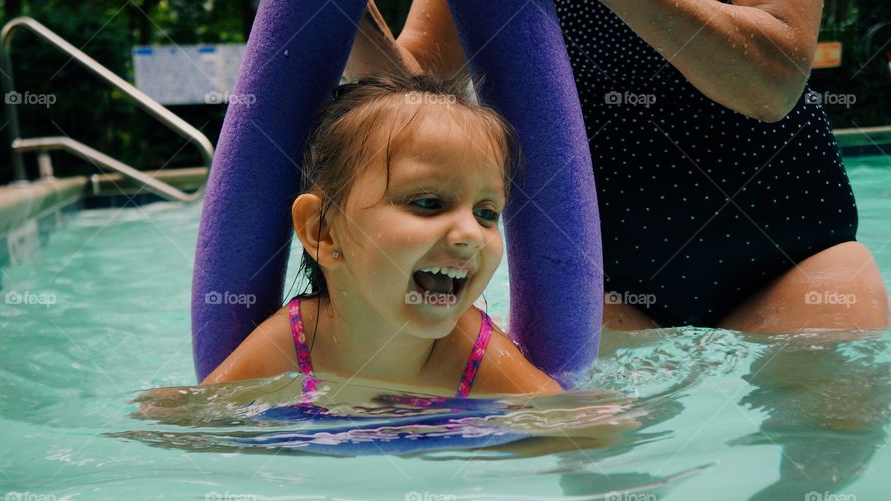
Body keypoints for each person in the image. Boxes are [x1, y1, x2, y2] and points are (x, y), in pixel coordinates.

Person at [345, 0, 889, 332]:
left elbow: (773, 82)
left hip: (790, 254)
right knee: (600, 488)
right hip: (600, 273)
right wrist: (345, 19)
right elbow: (416, 103)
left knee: (816, 467)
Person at [201, 73, 561, 397]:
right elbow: (188, 422)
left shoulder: (472, 354)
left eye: (487, 213)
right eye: (427, 202)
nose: (471, 233)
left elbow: (580, 431)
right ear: (323, 231)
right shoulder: (293, 343)